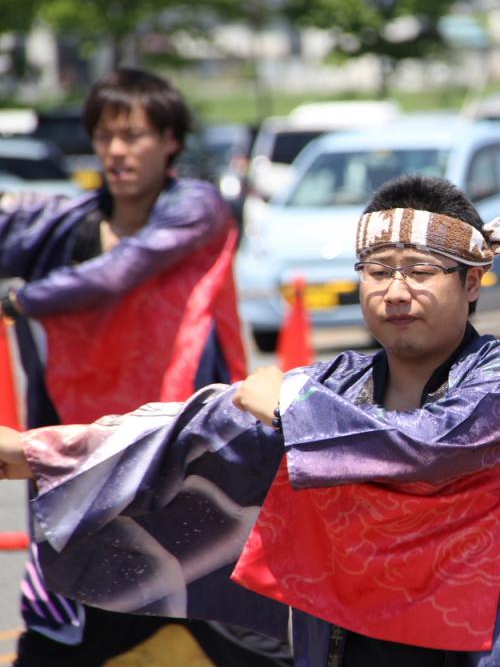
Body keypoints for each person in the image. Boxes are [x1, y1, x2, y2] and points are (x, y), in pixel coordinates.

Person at [0, 174, 500, 666]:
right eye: (378, 271)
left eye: (420, 271)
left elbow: (425, 445)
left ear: (472, 281)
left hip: (477, 640)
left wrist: (286, 406)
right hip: (350, 638)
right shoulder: (342, 378)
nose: (396, 290)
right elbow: (202, 425)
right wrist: (40, 452)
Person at [0, 68, 290, 665]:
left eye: (133, 136)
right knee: (64, 624)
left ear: (171, 142)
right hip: (83, 450)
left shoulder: (196, 209)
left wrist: (21, 300)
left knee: (228, 612)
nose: (116, 150)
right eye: (106, 136)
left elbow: (120, 272)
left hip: (178, 446)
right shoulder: (69, 224)